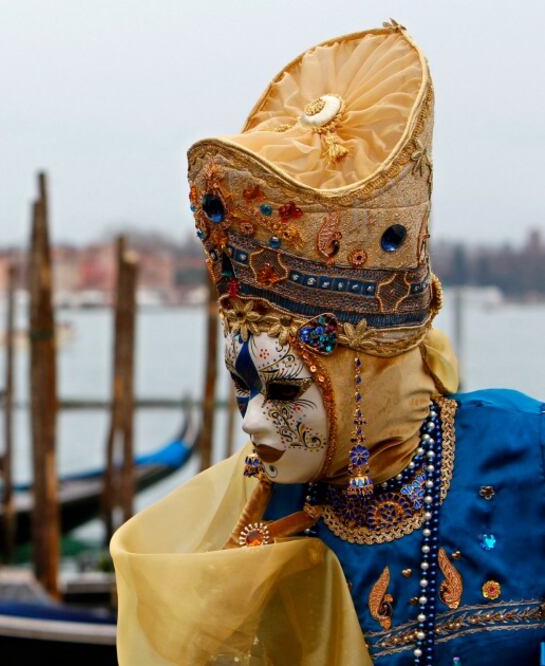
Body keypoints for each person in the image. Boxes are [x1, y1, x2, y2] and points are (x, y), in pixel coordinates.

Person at [111, 23, 545, 665]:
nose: (254, 419)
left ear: (362, 374)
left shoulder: (522, 453)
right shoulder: (263, 514)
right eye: (243, 386)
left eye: (284, 385)